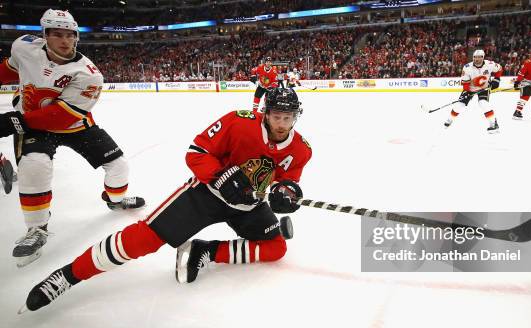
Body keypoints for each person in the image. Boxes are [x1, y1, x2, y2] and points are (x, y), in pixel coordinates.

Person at [19, 88, 312, 313]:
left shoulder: (301, 149)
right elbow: (196, 151)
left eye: (288, 118)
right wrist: (220, 175)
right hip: (205, 195)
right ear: (265, 113)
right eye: (277, 116)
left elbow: (287, 182)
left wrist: (285, 195)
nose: (282, 124)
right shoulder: (238, 122)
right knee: (143, 239)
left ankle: (205, 251)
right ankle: (67, 276)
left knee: (275, 248)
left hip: (248, 205)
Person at [0, 9, 145, 268]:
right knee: (34, 165)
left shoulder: (89, 74)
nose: (65, 40)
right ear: (45, 35)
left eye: (70, 34)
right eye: (57, 34)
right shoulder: (24, 48)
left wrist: (13, 121)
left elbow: (62, 116)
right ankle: (37, 229)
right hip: (34, 125)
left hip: (73, 124)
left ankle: (114, 200)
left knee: (119, 165)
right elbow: (10, 70)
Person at [444, 49, 502, 133]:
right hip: (470, 89)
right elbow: (465, 83)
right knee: (459, 105)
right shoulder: (467, 67)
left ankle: (493, 124)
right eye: (475, 57)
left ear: (483, 58)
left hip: (484, 88)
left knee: (483, 103)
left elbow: (499, 69)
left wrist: (497, 79)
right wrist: (467, 93)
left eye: (479, 57)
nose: (476, 59)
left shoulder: (490, 64)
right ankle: (450, 119)